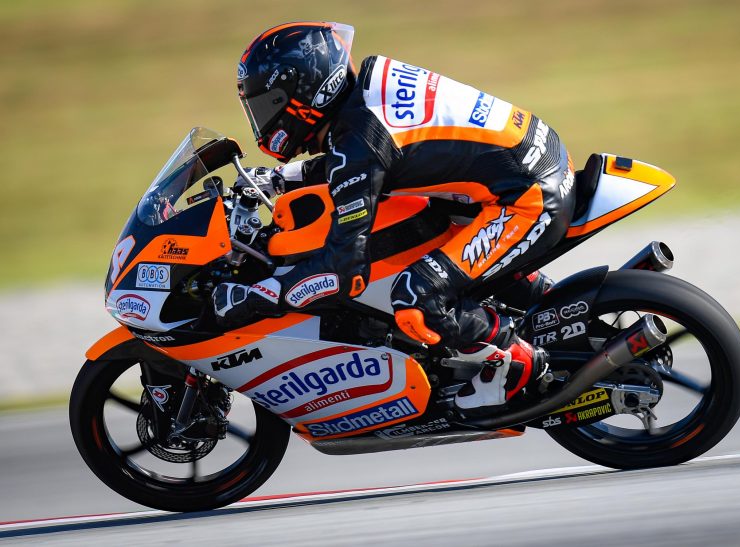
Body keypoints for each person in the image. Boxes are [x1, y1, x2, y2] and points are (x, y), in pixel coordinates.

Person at [213, 21, 576, 413]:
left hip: (527, 198)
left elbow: (343, 271)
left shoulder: (360, 139)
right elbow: (358, 166)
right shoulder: (361, 106)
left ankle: (516, 360)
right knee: (424, 237)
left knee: (414, 293)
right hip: (531, 163)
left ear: (307, 90)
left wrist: (258, 296)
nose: (265, 118)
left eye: (269, 103)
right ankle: (544, 307)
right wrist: (281, 179)